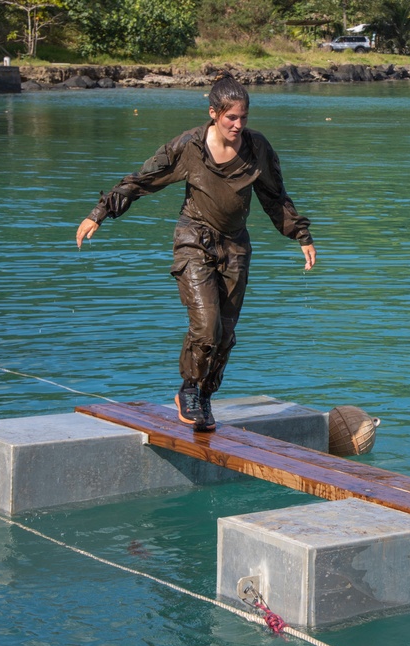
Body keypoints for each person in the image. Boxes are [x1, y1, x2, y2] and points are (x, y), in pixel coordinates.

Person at [75, 75, 316, 432]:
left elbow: (274, 196)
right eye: (231, 118)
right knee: (206, 326)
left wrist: (301, 236)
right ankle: (188, 388)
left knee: (225, 333)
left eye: (244, 118)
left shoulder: (257, 148)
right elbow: (143, 180)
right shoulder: (190, 146)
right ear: (214, 113)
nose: (238, 125)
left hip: (235, 247)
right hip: (194, 240)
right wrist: (100, 212)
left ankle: (203, 394)